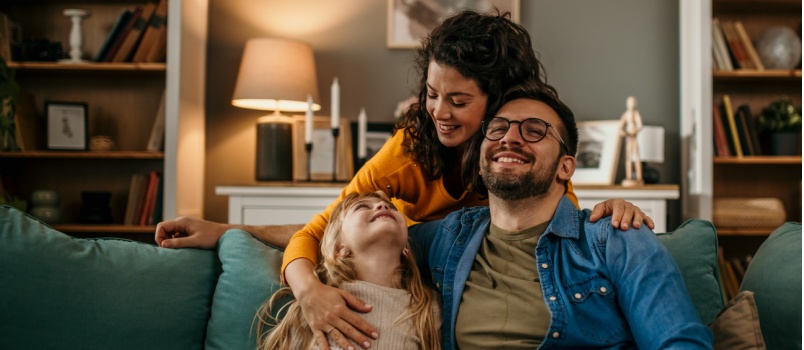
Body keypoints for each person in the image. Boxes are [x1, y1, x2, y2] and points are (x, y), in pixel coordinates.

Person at [155, 10, 654, 349]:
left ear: (500, 103)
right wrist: (307, 288)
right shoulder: (405, 153)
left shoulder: (528, 163)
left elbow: (574, 238)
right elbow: (328, 230)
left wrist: (618, 213)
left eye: (459, 102)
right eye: (432, 94)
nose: (439, 112)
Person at [408, 81, 713, 349]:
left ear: (565, 167)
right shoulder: (447, 238)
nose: (510, 138)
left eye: (534, 131)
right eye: (499, 128)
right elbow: (363, 238)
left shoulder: (618, 238)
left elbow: (679, 343)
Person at [255, 191, 441, 349]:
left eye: (392, 208)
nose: (383, 207)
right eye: (361, 207)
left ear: (406, 249)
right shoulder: (316, 305)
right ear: (339, 248)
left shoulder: (426, 308)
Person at [618, 96, 644, 186]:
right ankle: (629, 176)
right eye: (629, 102)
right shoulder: (625, 115)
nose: (631, 104)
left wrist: (635, 130)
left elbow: (640, 125)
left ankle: (639, 177)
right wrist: (623, 132)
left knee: (637, 157)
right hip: (628, 137)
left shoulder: (636, 114)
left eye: (632, 102)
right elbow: (620, 127)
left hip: (634, 137)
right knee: (628, 157)